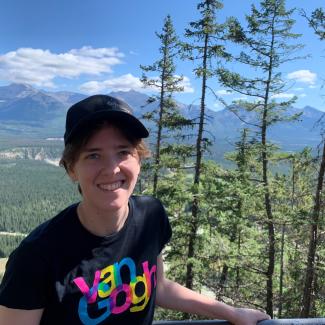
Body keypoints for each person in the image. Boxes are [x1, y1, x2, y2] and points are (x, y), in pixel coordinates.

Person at [0, 95, 270, 325]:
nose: (112, 168)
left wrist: (230, 312)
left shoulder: (151, 216)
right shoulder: (37, 257)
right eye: (93, 155)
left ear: (139, 160)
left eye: (123, 152)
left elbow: (159, 288)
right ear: (72, 169)